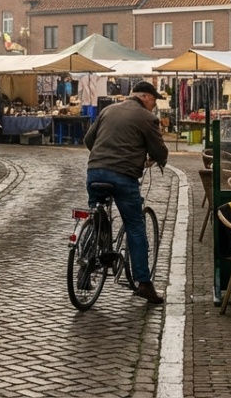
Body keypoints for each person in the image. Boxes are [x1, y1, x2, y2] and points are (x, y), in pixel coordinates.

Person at [83, 80, 169, 304]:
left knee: (96, 214)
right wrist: (158, 160)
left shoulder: (108, 110)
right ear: (147, 98)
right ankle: (144, 283)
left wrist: (104, 157)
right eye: (154, 102)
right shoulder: (148, 118)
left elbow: (88, 140)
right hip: (123, 177)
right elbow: (159, 150)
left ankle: (84, 268)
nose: (154, 107)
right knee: (135, 227)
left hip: (94, 173)